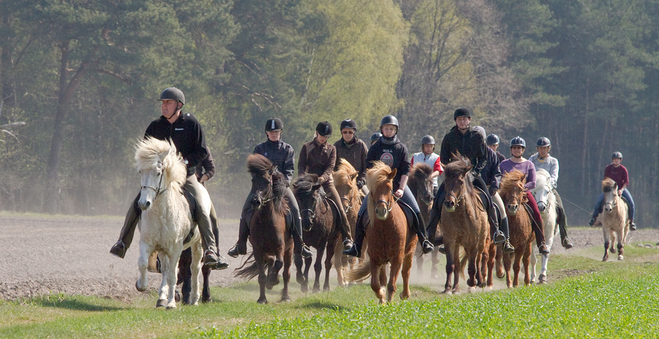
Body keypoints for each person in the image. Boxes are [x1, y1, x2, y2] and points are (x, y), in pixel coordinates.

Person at [109, 87, 228, 269]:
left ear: (178, 105)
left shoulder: (191, 123)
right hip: (159, 179)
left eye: (168, 103)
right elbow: (145, 154)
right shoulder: (155, 126)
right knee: (137, 202)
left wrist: (184, 163)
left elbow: (202, 150)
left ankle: (211, 250)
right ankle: (122, 243)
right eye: (163, 103)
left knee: (203, 206)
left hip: (185, 177)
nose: (164, 106)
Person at [343, 115, 434, 257]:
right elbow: (368, 167)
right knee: (361, 213)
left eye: (391, 129)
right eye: (386, 128)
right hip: (379, 188)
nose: (389, 131)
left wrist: (402, 189)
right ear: (382, 130)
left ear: (395, 130)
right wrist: (373, 184)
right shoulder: (375, 148)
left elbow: (405, 170)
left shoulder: (401, 148)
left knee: (415, 210)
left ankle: (424, 240)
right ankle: (356, 246)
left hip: (397, 185)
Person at [227, 118, 313, 258]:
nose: (274, 134)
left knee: (296, 209)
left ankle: (300, 244)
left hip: (280, 186)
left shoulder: (288, 149)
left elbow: (290, 170)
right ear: (267, 133)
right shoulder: (259, 149)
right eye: (271, 132)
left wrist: (283, 183)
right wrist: (258, 181)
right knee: (246, 208)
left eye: (276, 132)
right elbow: (254, 169)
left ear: (280, 132)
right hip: (262, 187)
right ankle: (240, 243)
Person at [426, 108, 506, 248]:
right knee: (439, 198)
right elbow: (444, 159)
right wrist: (452, 172)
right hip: (454, 177)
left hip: (473, 175)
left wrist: (473, 173)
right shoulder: (449, 137)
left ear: (469, 120)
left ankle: (496, 230)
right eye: (459, 119)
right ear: (456, 121)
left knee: (487, 198)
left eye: (464, 119)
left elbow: (483, 159)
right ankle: (430, 234)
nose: (462, 121)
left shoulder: (477, 137)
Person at [299, 121, 355, 252]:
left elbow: (330, 167)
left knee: (340, 208)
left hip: (326, 182)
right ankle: (292, 237)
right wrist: (305, 179)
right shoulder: (306, 147)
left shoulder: (332, 149)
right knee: (292, 206)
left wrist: (322, 179)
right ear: (317, 133)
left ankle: (347, 238)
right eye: (322, 135)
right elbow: (301, 165)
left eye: (326, 137)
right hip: (308, 183)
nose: (323, 138)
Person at [499, 136, 549, 254]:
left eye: (519, 148)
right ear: (511, 149)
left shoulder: (528, 164)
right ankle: (493, 235)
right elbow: (500, 178)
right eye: (515, 148)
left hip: (524, 194)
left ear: (523, 150)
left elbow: (533, 182)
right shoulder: (504, 164)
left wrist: (522, 188)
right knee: (494, 210)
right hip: (507, 194)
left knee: (536, 213)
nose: (517, 150)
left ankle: (542, 242)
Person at [474, 127, 515, 253]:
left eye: (480, 137)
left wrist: (494, 186)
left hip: (488, 188)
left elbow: (497, 173)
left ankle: (505, 239)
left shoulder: (491, 154)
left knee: (502, 210)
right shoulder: (468, 152)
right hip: (471, 189)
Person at [529, 137, 574, 248]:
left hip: (548, 189)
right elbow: (529, 173)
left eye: (544, 148)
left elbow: (554, 177)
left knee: (561, 209)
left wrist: (547, 186)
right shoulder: (531, 159)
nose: (542, 150)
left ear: (548, 148)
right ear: (537, 148)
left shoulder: (553, 161)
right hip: (534, 188)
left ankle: (565, 237)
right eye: (540, 148)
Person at [588, 152, 636, 230]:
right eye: (614, 159)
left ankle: (631, 221)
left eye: (617, 159)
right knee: (598, 202)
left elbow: (626, 181)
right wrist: (606, 190)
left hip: (621, 189)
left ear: (620, 160)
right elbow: (605, 180)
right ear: (612, 160)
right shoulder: (608, 168)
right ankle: (594, 218)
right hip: (609, 191)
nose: (616, 161)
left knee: (631, 203)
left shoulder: (623, 169)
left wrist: (621, 190)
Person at [334, 119, 369, 193]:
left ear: (354, 133)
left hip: (358, 183)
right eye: (345, 132)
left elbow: (367, 165)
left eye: (350, 132)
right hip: (340, 184)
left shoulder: (361, 145)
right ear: (341, 132)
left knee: (368, 196)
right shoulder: (336, 146)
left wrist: (362, 180)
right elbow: (332, 166)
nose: (347, 135)